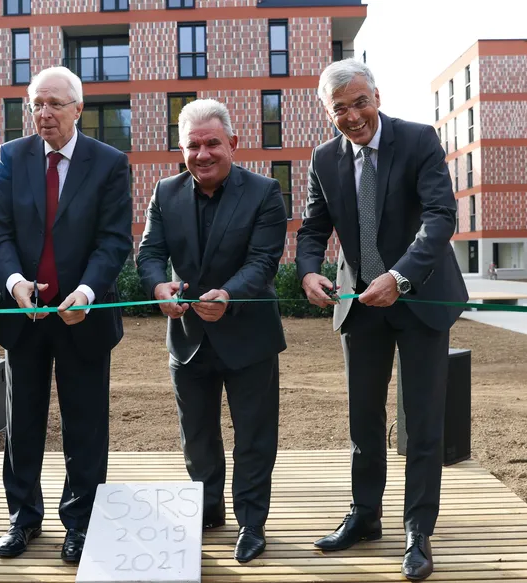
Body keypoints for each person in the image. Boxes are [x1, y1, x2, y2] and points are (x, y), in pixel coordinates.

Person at [295, 59, 468, 581]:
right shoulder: (324, 157)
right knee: (363, 422)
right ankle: (366, 516)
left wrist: (400, 276)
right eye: (339, 108)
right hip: (359, 307)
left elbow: (441, 217)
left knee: (421, 423)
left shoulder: (417, 140)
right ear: (328, 113)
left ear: (377, 95)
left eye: (359, 102)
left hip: (419, 300)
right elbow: (311, 229)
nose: (352, 116)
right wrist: (308, 273)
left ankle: (418, 529)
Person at [0, 66, 132, 563]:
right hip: (24, 315)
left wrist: (88, 292)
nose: (43, 114)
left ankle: (82, 523)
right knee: (21, 424)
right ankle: (22, 519)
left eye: (54, 104)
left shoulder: (110, 162)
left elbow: (114, 240)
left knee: (84, 426)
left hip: (83, 317)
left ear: (78, 109)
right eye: (36, 104)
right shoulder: (12, 156)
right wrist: (14, 283)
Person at [136, 98, 287, 563]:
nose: (203, 154)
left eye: (212, 144)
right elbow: (148, 254)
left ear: (233, 144)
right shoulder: (165, 191)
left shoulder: (265, 191)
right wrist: (159, 285)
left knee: (253, 436)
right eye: (193, 145)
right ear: (182, 149)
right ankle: (207, 509)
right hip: (187, 341)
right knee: (196, 437)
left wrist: (229, 295)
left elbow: (263, 262)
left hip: (248, 335)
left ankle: (252, 523)